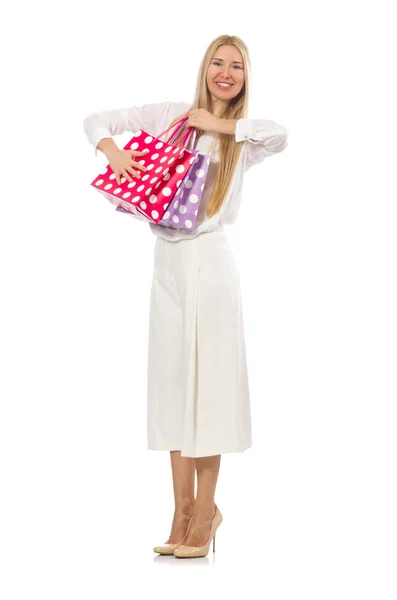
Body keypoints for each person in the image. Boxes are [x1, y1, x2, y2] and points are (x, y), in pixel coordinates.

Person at [83, 34, 288, 559]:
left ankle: (207, 511)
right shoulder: (172, 115)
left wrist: (218, 125)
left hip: (211, 261)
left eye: (236, 66)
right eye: (217, 63)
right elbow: (97, 120)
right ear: (204, 67)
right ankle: (181, 513)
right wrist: (112, 151)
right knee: (173, 387)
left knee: (210, 388)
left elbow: (279, 134)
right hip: (168, 264)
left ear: (246, 77)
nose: (225, 72)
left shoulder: (241, 138)